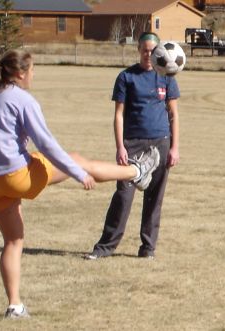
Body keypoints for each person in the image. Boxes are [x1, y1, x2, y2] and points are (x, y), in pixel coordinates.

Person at [0, 49, 159, 319]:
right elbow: (46, 144)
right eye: (32, 70)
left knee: (13, 240)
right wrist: (76, 173)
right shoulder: (22, 100)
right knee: (77, 160)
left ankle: (15, 305)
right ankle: (135, 171)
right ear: (21, 73)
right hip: (16, 176)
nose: (34, 75)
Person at [86, 32, 180, 260]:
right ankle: (105, 247)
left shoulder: (167, 77)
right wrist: (120, 146)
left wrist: (174, 147)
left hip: (161, 143)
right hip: (133, 145)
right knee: (123, 197)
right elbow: (119, 115)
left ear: (159, 52)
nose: (149, 54)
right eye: (145, 50)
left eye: (153, 50)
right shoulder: (126, 77)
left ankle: (148, 248)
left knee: (154, 199)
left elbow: (174, 114)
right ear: (138, 50)